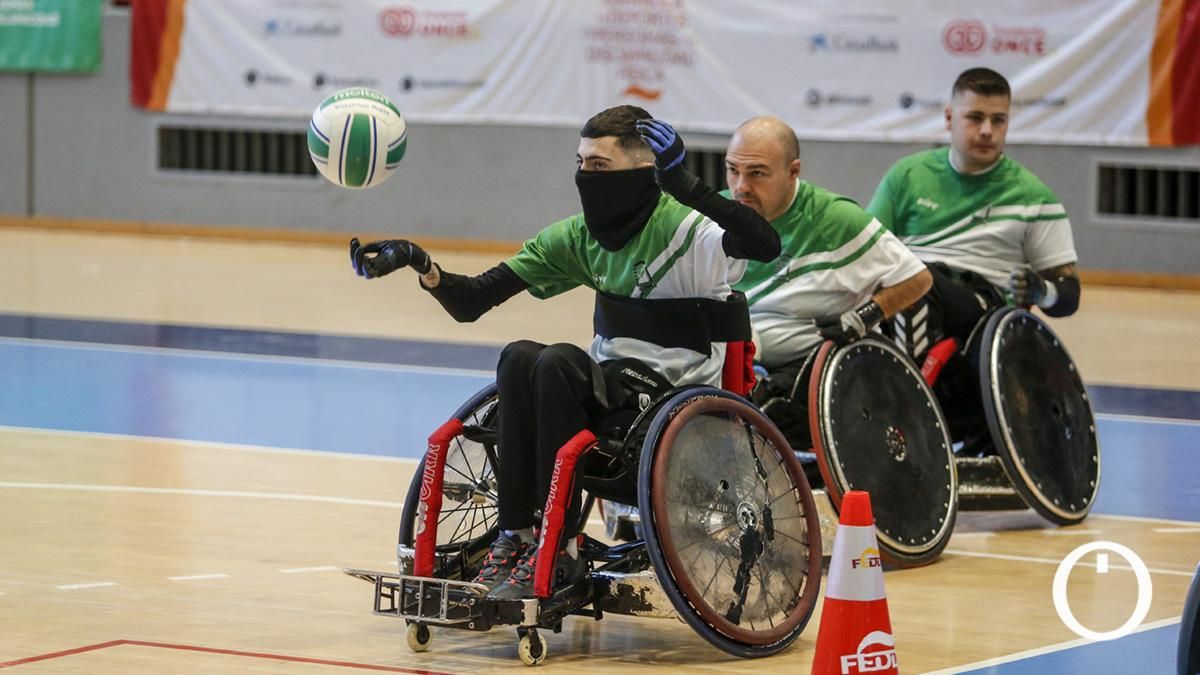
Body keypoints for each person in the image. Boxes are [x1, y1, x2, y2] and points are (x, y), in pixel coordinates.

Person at [349, 105, 779, 600]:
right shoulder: (577, 238)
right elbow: (472, 301)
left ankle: (563, 551)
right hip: (610, 392)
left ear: (644, 170)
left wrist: (685, 184)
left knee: (557, 362)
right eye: (581, 164)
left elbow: (764, 244)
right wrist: (420, 264)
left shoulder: (690, 231)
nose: (586, 176)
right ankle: (517, 536)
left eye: (600, 165)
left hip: (674, 402)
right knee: (518, 356)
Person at [866, 67, 1081, 446]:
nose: (987, 131)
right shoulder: (906, 176)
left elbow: (1069, 295)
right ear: (949, 118)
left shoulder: (1034, 197)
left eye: (998, 120)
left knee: (919, 281)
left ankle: (905, 409)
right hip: (910, 289)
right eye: (975, 118)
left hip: (983, 310)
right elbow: (867, 252)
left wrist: (1039, 290)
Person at [723, 116, 932, 450]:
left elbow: (918, 278)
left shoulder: (836, 220)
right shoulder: (717, 214)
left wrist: (864, 317)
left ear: (793, 171)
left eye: (757, 173)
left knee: (757, 414)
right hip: (734, 356)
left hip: (808, 368)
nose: (741, 186)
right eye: (733, 170)